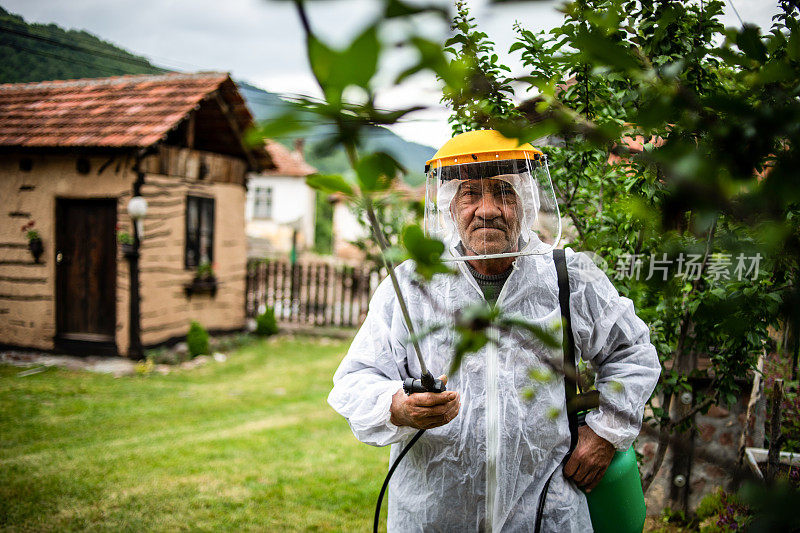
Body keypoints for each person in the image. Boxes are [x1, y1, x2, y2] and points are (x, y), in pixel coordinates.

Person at [328, 130, 660, 531]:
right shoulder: (412, 285)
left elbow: (632, 354)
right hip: (436, 513)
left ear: (526, 201)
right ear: (451, 207)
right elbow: (356, 378)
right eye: (470, 194)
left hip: (543, 511)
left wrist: (606, 431)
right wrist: (397, 406)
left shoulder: (568, 276)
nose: (487, 209)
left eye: (503, 192)